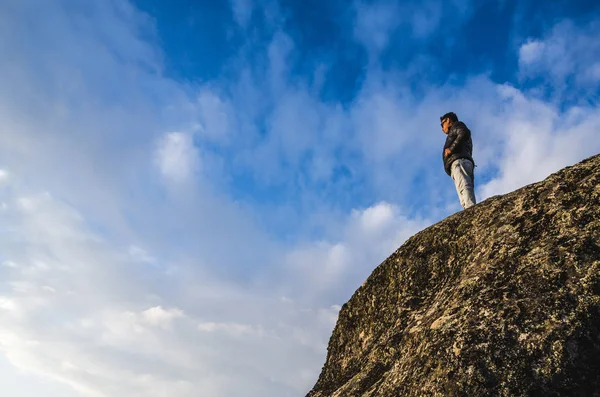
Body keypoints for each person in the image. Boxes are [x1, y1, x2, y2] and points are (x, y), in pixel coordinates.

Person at [440, 112, 476, 209]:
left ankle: (470, 209)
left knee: (464, 186)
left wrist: (451, 149)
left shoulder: (457, 126)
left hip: (459, 162)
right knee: (463, 188)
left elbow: (464, 132)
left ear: (448, 120)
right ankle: (468, 209)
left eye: (442, 124)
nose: (442, 128)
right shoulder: (456, 129)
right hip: (462, 161)